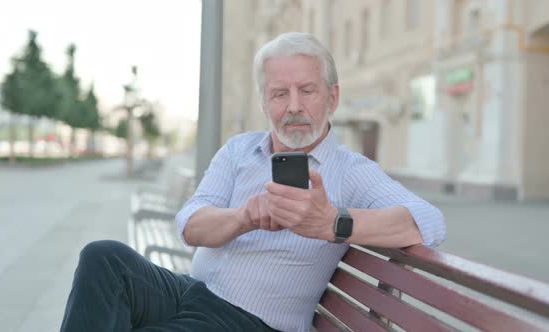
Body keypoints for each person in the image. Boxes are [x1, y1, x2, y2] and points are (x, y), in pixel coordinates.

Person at [60, 32, 445, 332]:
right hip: (191, 291)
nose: (293, 106)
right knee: (103, 256)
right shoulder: (239, 151)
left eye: (307, 90)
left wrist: (331, 223)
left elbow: (428, 221)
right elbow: (190, 225)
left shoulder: (350, 170)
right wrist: (243, 216)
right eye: (279, 93)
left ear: (333, 97)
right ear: (264, 103)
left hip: (250, 321)